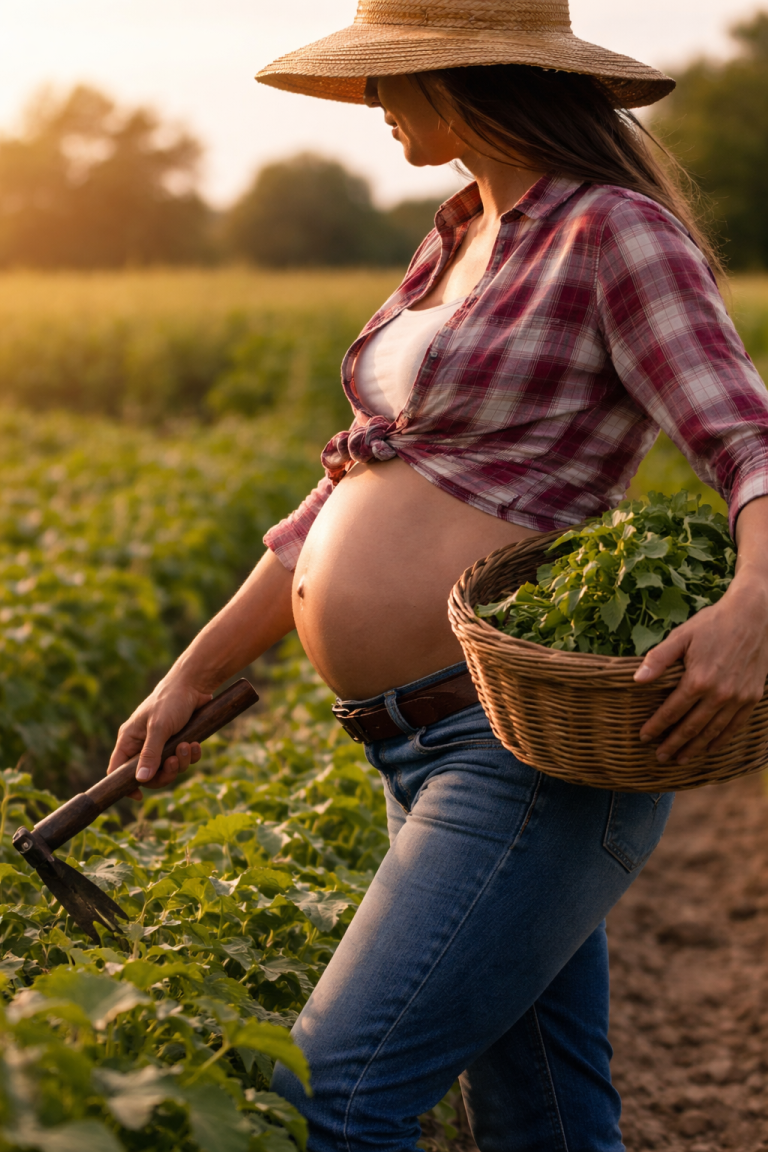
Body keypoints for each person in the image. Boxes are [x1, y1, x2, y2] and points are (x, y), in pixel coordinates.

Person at [108, 2, 768, 1148]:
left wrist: (755, 605)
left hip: (523, 752)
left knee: (331, 1099)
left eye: (390, 77)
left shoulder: (613, 232)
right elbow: (337, 500)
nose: (373, 102)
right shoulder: (457, 234)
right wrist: (189, 673)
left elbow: (749, 445)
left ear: (465, 77)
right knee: (543, 1120)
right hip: (410, 741)